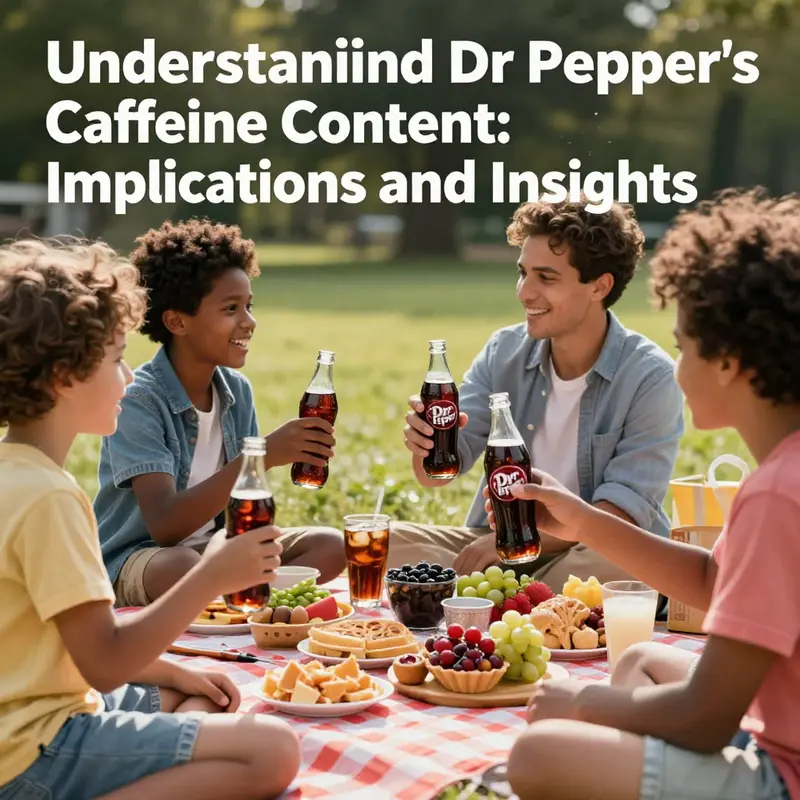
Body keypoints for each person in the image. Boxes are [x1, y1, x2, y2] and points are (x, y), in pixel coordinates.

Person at [500, 188, 800, 800]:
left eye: (685, 345)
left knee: (539, 754)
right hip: (773, 730)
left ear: (730, 363)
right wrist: (584, 520)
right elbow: (715, 585)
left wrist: (584, 702)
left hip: (783, 771)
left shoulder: (777, 494)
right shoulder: (781, 472)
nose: (675, 363)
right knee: (640, 664)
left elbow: (705, 718)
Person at [0, 238, 300, 799]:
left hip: (37, 713)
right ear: (65, 376)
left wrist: (175, 672)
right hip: (33, 752)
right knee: (272, 748)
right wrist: (211, 574)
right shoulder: (49, 498)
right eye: (116, 359)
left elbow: (69, 650)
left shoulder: (16, 474)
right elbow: (106, 661)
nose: (131, 375)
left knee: (199, 699)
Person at [392, 197, 684, 590]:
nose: (524, 292)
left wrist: (508, 548)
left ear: (599, 285)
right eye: (523, 273)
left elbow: (622, 515)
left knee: (622, 569)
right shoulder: (503, 352)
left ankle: (499, 596)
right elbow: (437, 475)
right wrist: (425, 444)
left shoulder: (650, 376)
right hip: (496, 541)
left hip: (594, 549)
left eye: (546, 278)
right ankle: (528, 599)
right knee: (387, 543)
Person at [94, 219, 346, 607]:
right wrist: (261, 454)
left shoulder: (236, 392)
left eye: (249, 306)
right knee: (179, 564)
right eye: (231, 309)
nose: (249, 322)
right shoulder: (140, 400)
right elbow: (165, 526)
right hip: (143, 557)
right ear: (177, 321)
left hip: (216, 548)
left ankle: (240, 600)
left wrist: (254, 542)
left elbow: (240, 509)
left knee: (330, 545)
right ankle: (244, 597)